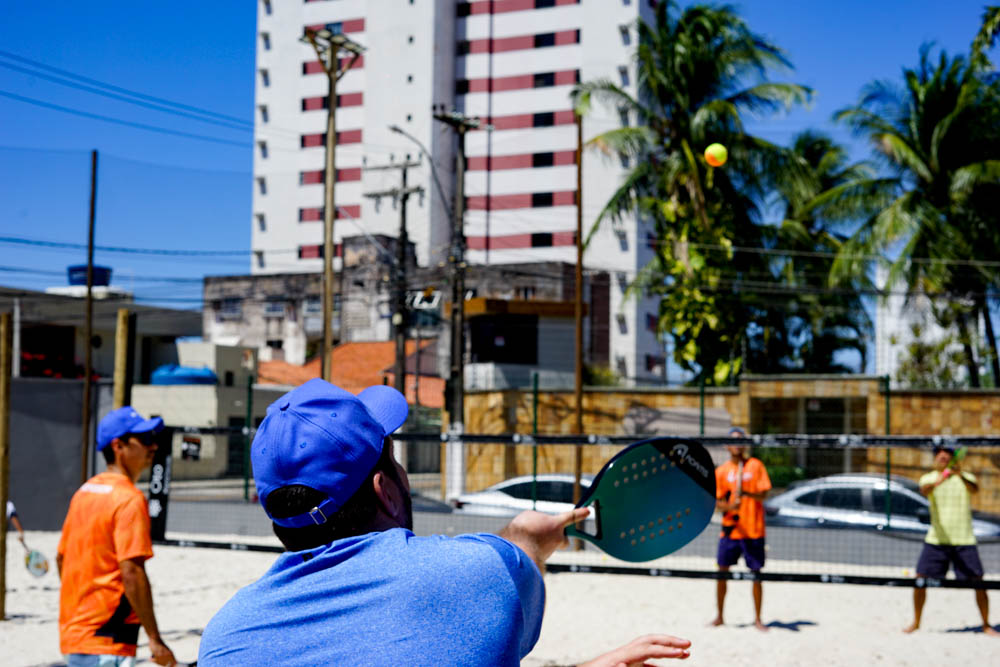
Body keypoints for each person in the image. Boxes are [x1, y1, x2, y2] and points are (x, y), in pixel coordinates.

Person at [199, 379, 692, 666]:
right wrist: (527, 539)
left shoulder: (224, 639)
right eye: (393, 461)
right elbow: (511, 562)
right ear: (385, 490)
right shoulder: (477, 574)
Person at [57, 406, 177, 666]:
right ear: (118, 446)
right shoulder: (129, 499)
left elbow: (61, 558)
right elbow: (132, 571)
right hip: (108, 639)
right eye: (144, 440)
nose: (152, 446)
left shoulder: (84, 492)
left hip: (75, 635)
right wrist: (155, 639)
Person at [903, 444, 997, 635]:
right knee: (920, 580)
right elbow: (924, 490)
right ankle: (916, 621)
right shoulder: (929, 478)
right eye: (940, 454)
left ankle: (986, 624)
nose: (943, 456)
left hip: (964, 539)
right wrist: (941, 479)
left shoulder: (964, 477)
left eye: (947, 454)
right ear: (935, 458)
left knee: (979, 582)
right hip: (937, 539)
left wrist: (958, 474)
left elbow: (975, 489)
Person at [710, 426, 771, 631]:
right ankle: (719, 616)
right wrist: (729, 506)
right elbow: (717, 503)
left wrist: (746, 493)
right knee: (722, 573)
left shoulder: (755, 466)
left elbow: (764, 495)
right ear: (727, 446)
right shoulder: (721, 471)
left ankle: (758, 618)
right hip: (730, 529)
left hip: (753, 530)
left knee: (756, 574)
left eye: (740, 440)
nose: (737, 444)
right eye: (733, 441)